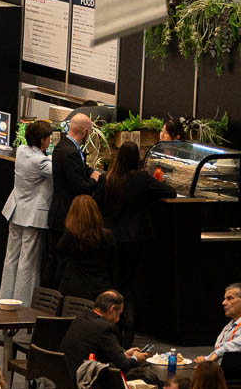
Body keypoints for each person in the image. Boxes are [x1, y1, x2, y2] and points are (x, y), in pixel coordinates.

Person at [0, 117, 55, 304]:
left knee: (11, 257)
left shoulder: (21, 150)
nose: (51, 141)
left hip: (15, 210)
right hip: (32, 216)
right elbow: (59, 169)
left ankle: (5, 297)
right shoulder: (42, 162)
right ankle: (22, 304)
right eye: (49, 138)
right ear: (42, 140)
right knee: (27, 261)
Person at [103, 139, 165, 306]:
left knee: (115, 279)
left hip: (111, 236)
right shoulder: (141, 178)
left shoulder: (108, 178)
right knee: (131, 283)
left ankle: (113, 313)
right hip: (135, 237)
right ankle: (129, 316)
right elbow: (170, 192)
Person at [48, 113, 103, 277]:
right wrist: (94, 179)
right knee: (59, 265)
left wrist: (90, 171)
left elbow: (80, 169)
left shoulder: (62, 146)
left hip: (58, 212)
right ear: (85, 131)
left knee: (53, 261)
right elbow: (81, 187)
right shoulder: (71, 152)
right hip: (65, 215)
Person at [56, 193, 118, 302]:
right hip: (100, 288)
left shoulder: (70, 236)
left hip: (73, 290)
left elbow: (60, 258)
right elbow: (113, 265)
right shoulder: (107, 236)